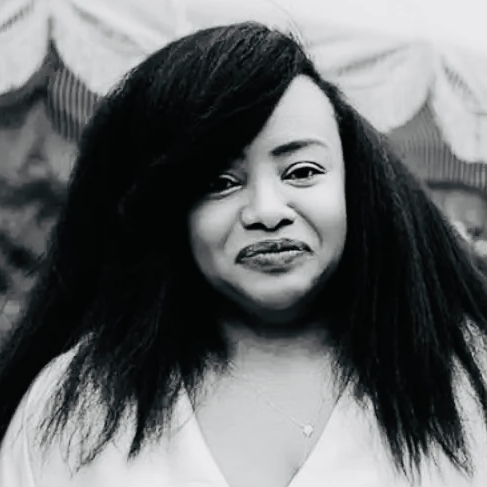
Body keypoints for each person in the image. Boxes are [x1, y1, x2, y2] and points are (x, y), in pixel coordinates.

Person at [1, 21, 487, 487]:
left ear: (354, 186)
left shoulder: (467, 379)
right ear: (166, 212)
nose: (267, 211)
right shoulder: (75, 408)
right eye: (220, 182)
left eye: (302, 171)